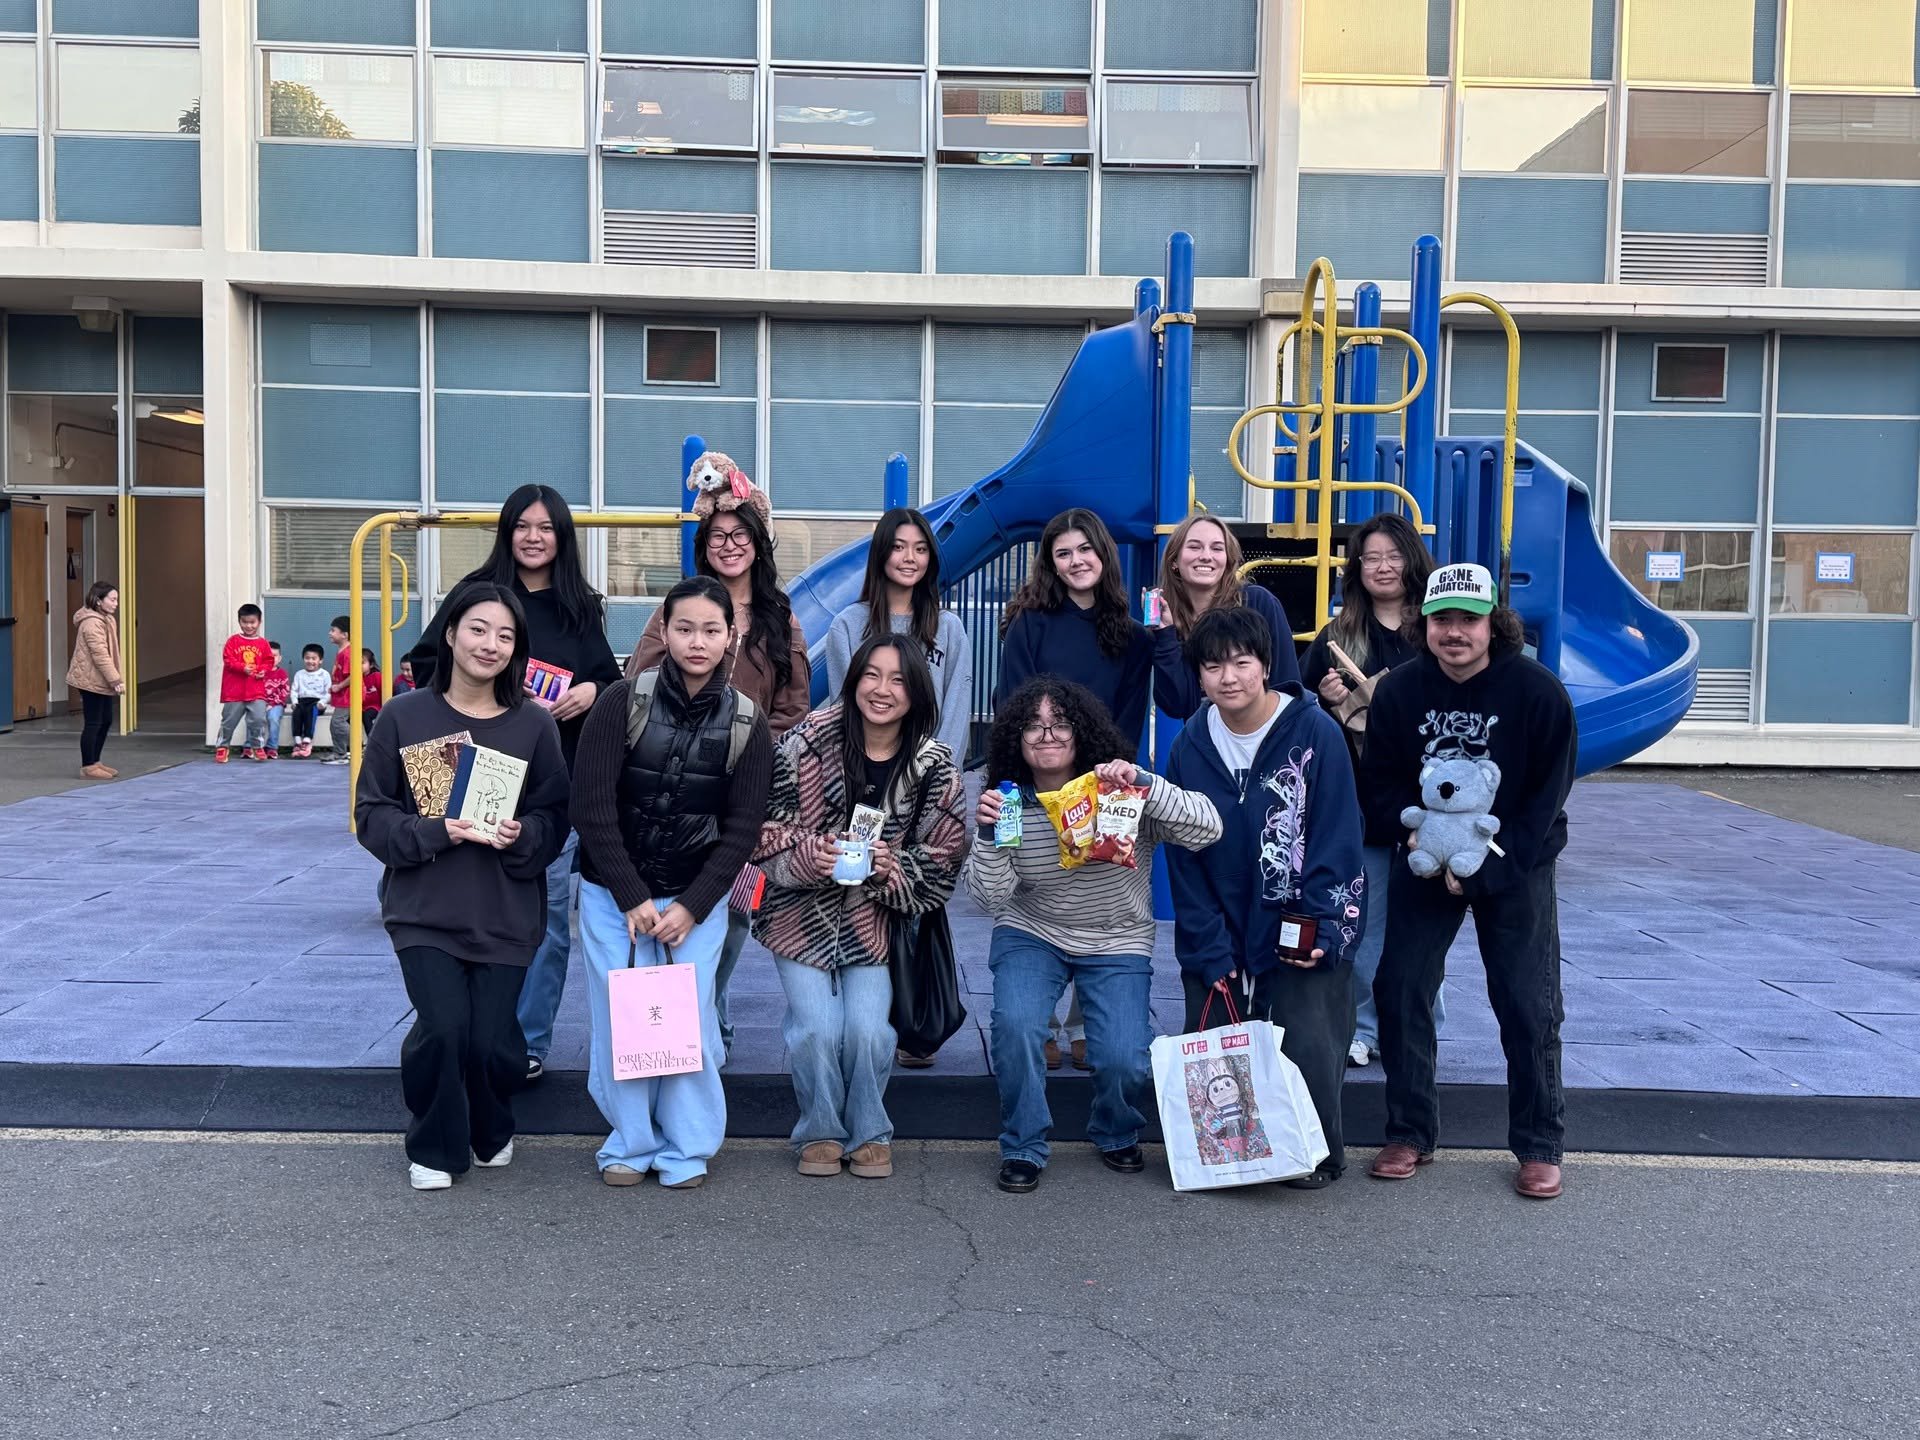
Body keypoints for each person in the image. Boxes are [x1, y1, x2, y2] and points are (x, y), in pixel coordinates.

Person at [1360, 562, 1578, 1201]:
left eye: (1468, 619)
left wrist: (1488, 868)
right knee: (1399, 989)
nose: (1455, 632)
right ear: (1424, 623)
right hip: (1427, 858)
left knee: (1525, 1001)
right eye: (1442, 620)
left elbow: (1544, 802)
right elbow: (1381, 784)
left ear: (1494, 622)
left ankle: (1539, 1144)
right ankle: (1409, 1130)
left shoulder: (1538, 694)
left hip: (1514, 863)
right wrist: (1425, 843)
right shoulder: (1400, 692)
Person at [354, 580, 569, 1192]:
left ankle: (490, 1124)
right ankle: (434, 1145)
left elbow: (556, 817)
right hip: (425, 908)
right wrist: (434, 831)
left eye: (505, 635)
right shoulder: (403, 716)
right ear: (450, 634)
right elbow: (371, 816)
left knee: (491, 1041)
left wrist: (521, 834)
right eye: (478, 629)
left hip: (504, 909)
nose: (491, 644)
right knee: (444, 1026)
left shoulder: (533, 724)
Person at [967, 677, 1221, 1194]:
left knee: (1125, 1059)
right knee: (1016, 1029)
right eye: (1033, 726)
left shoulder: (1119, 792)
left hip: (1117, 937)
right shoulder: (1010, 803)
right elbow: (989, 899)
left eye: (1060, 724)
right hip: (1031, 929)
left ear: (1082, 733)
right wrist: (990, 835)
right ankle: (1023, 1144)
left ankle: (1114, 1127)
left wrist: (1147, 784)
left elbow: (1208, 828)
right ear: (1015, 738)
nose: (1047, 736)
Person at [411, 485, 623, 1083]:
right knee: (464, 910)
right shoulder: (474, 595)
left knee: (551, 919)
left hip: (549, 789)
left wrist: (590, 692)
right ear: (506, 531)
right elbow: (425, 665)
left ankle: (524, 1042)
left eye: (547, 527)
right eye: (523, 525)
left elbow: (610, 681)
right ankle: (465, 1028)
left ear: (563, 537)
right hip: (471, 777)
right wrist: (494, 691)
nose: (535, 536)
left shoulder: (580, 606)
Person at [569, 576, 774, 1189]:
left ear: (731, 637)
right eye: (684, 628)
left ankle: (686, 1148)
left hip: (696, 900)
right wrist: (631, 896)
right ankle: (629, 1144)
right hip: (613, 896)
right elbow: (592, 807)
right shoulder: (621, 701)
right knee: (619, 1022)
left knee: (688, 1025)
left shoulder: (747, 721)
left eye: (712, 630)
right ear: (664, 630)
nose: (697, 641)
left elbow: (741, 831)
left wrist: (692, 906)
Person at [1163, 606, 1368, 1189]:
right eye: (1213, 666)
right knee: (1216, 1041)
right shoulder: (1189, 746)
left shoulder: (1314, 732)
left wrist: (1320, 927)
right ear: (1198, 676)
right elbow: (1183, 852)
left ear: (1266, 666)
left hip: (1303, 913)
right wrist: (1207, 940)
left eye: (1241, 663)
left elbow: (1337, 838)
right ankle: (1228, 1155)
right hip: (1219, 912)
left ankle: (1313, 1154)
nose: (1229, 677)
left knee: (1308, 1039)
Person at [752, 634, 969, 1181]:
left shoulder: (932, 763)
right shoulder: (806, 741)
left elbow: (946, 854)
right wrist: (810, 852)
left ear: (916, 692)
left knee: (870, 1031)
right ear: (853, 682)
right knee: (817, 1029)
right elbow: (758, 828)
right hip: (797, 916)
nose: (882, 689)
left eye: (898, 680)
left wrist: (890, 868)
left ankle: (869, 1129)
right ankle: (821, 1130)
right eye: (871, 675)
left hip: (877, 922)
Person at [626, 465, 811, 1062]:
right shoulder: (677, 609)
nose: (729, 547)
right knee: (672, 902)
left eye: (741, 537)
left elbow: (794, 707)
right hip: (672, 783)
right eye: (718, 538)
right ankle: (698, 1027)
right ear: (704, 546)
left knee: (732, 912)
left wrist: (747, 748)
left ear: (758, 546)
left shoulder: (783, 618)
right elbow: (637, 682)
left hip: (743, 788)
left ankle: (711, 1006)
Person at [1298, 513, 1437, 1067]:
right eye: (1371, 558)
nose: (1382, 567)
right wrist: (1327, 696)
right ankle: (1365, 1027)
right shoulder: (1337, 637)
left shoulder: (1434, 628)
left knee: (1426, 928)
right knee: (1362, 925)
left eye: (1393, 556)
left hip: (1432, 805)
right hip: (1362, 807)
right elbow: (1301, 710)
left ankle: (1421, 1025)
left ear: (1412, 560)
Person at [995, 508, 1153, 751]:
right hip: (1039, 769)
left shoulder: (1135, 638)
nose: (1076, 561)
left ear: (1104, 553)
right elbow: (1012, 707)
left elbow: (1128, 727)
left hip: (1101, 776)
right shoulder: (1028, 624)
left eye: (1085, 549)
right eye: (1063, 554)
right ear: (1053, 565)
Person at [826, 507, 973, 764]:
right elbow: (843, 710)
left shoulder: (949, 628)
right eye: (898, 547)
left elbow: (956, 714)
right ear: (881, 553)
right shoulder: (847, 626)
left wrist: (938, 775)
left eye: (920, 549)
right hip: (865, 772)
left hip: (931, 774)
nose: (910, 558)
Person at [1150, 512, 1301, 717]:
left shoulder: (1258, 603)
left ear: (1228, 561)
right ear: (1174, 560)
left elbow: (1287, 684)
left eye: (1217, 548)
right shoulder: (1169, 620)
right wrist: (1165, 634)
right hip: (1208, 743)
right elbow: (1178, 706)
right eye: (1194, 547)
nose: (1206, 555)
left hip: (1264, 737)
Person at [66, 580, 123, 781]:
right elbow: (100, 654)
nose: (116, 603)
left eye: (117, 599)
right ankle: (88, 766)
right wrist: (115, 679)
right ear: (99, 601)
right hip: (89, 680)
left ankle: (96, 761)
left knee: (106, 720)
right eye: (113, 599)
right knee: (94, 722)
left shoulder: (107, 619)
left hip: (100, 679)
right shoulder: (92, 623)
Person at [215, 603, 271, 764]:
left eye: (252, 622)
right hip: (234, 691)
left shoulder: (263, 643)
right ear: (239, 622)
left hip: (256, 690)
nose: (249, 625)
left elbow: (268, 661)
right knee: (229, 721)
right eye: (245, 622)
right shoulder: (233, 641)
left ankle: (257, 746)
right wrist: (242, 668)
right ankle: (222, 747)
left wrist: (263, 670)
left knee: (259, 719)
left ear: (259, 622)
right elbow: (228, 660)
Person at [290, 644, 329, 758]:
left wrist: (322, 703)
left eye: (314, 658)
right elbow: (294, 690)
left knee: (311, 710)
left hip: (317, 702)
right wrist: (294, 702)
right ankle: (297, 739)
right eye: (307, 658)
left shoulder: (324, 674)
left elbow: (328, 692)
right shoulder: (299, 674)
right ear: (303, 659)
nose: (310, 661)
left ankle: (307, 739)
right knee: (297, 712)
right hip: (302, 701)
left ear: (320, 660)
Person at [323, 616, 353, 765]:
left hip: (348, 695)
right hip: (342, 695)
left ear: (344, 634)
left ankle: (354, 746)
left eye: (333, 630)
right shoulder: (342, 652)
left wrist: (339, 686)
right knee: (335, 723)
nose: (330, 633)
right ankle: (340, 752)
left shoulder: (348, 653)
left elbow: (354, 675)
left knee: (337, 722)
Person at [263, 643, 290, 760]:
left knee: (273, 718)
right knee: (254, 717)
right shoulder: (260, 672)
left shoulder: (282, 673)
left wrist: (272, 704)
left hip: (277, 703)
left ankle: (272, 747)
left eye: (274, 655)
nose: (271, 658)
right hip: (260, 703)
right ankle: (251, 746)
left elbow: (284, 692)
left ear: (279, 658)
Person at [358, 649, 383, 735]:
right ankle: (356, 743)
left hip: (375, 707)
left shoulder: (376, 676)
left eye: (362, 662)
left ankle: (373, 740)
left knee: (366, 716)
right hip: (360, 708)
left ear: (371, 664)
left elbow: (384, 691)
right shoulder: (354, 678)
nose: (358, 665)